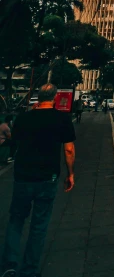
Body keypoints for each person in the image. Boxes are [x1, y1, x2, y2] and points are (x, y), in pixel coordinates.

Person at [1, 84, 75, 277]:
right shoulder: (62, 119)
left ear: (38, 97)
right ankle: (29, 270)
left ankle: (9, 266)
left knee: (16, 220)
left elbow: (14, 142)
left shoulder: (24, 118)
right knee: (39, 225)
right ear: (55, 98)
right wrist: (70, 173)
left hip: (23, 176)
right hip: (47, 177)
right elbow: (69, 149)